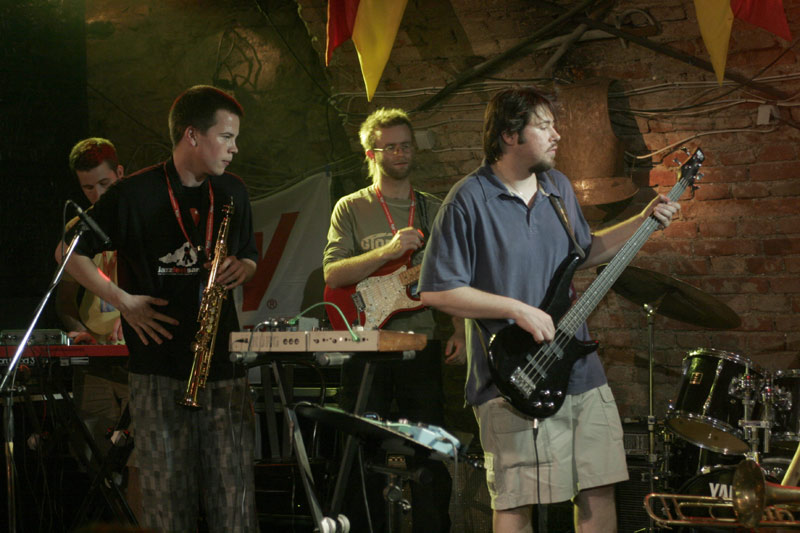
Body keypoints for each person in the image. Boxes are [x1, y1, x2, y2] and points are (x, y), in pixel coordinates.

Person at [417, 86, 680, 533]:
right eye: (543, 126)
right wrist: (517, 310)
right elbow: (437, 291)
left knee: (598, 486)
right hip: (513, 374)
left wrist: (643, 222)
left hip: (578, 366)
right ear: (509, 136)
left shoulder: (557, 187)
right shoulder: (468, 199)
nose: (557, 135)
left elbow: (584, 252)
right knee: (518, 500)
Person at [55, 85, 259, 532]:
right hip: (156, 370)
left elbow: (249, 256)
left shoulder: (233, 191)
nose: (234, 149)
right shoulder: (134, 192)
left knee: (235, 507)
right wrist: (123, 301)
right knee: (166, 507)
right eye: (226, 137)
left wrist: (243, 267)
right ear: (192, 135)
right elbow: (67, 252)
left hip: (222, 368)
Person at [323, 107, 465, 532]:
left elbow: (454, 274)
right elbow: (333, 275)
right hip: (365, 344)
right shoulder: (350, 208)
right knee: (359, 450)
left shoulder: (433, 209)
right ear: (371, 154)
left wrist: (460, 328)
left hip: (420, 344)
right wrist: (387, 251)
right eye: (391, 147)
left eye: (406, 145)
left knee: (430, 448)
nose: (402, 153)